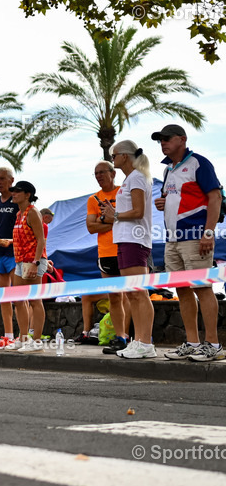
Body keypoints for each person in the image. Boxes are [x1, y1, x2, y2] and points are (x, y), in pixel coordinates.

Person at [151, 124, 225, 362]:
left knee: (202, 288)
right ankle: (192, 343)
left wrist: (208, 232)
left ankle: (213, 344)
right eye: (160, 140)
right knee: (182, 290)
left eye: (167, 139)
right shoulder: (167, 170)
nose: (163, 143)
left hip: (195, 235)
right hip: (172, 238)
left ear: (182, 139)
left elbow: (215, 196)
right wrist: (163, 203)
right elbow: (175, 197)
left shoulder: (198, 163)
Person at [100, 140, 156, 359]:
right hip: (124, 239)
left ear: (124, 156)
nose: (113, 160)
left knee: (140, 293)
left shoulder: (137, 177)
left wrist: (114, 214)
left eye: (114, 156)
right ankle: (139, 341)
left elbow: (139, 211)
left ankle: (145, 342)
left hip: (136, 240)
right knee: (133, 294)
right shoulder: (130, 179)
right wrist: (115, 213)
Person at [84, 161, 130, 353]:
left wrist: (109, 219)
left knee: (131, 295)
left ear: (113, 173)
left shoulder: (123, 192)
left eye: (102, 172)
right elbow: (91, 227)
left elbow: (132, 217)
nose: (99, 176)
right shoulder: (94, 199)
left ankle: (128, 335)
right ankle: (119, 337)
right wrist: (113, 221)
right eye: (95, 173)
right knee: (114, 297)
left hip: (126, 248)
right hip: (106, 253)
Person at [6, 181, 48, 353]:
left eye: (17, 191)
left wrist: (35, 263)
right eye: (13, 191)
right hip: (20, 262)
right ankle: (23, 338)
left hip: (32, 262)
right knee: (18, 300)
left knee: (34, 300)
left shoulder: (33, 213)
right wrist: (8, 243)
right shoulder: (19, 214)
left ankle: (36, 341)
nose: (13, 194)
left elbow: (41, 240)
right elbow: (24, 239)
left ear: (27, 194)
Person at [0, 167, 18, 348]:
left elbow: (26, 229)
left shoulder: (18, 200)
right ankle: (8, 336)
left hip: (15, 253)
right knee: (4, 297)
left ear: (11, 180)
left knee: (20, 297)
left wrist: (11, 242)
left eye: (2, 179)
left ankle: (25, 335)